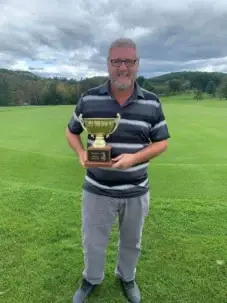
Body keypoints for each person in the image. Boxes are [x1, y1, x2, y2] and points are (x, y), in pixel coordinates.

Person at [66, 37, 170, 303]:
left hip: (135, 190)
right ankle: (91, 278)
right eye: (117, 61)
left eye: (129, 61)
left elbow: (162, 142)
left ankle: (127, 277)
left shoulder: (152, 102)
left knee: (132, 242)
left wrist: (133, 159)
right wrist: (80, 154)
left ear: (137, 64)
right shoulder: (89, 98)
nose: (123, 67)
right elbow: (71, 131)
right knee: (93, 241)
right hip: (97, 188)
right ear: (108, 64)